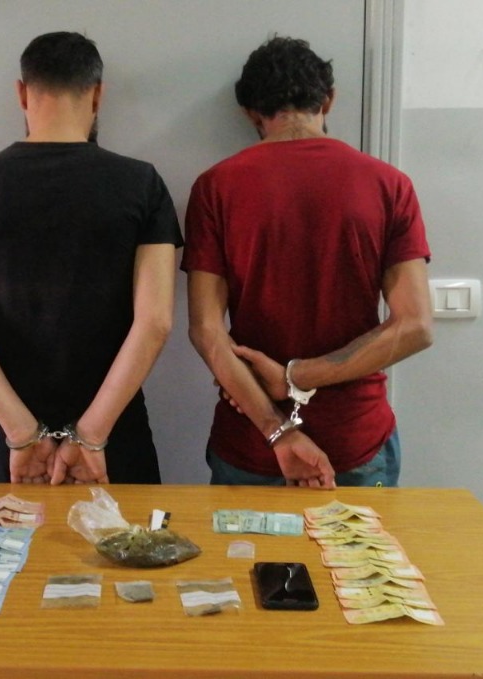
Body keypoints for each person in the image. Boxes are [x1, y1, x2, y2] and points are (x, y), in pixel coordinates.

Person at [0, 31, 183, 485]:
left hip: (13, 445)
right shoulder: (141, 184)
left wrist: (22, 434)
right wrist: (91, 435)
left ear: (21, 93)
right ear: (98, 94)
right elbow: (155, 321)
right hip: (113, 439)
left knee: (10, 537)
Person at [182, 36, 433, 488]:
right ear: (328, 100)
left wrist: (280, 423)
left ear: (250, 113)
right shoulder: (389, 185)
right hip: (356, 438)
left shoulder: (215, 188)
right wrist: (298, 376)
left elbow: (205, 330)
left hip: (253, 442)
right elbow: (415, 325)